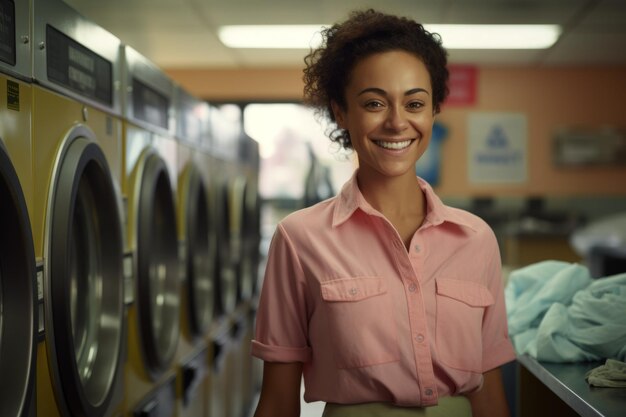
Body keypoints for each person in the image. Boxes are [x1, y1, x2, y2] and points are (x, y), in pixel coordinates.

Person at [251, 9, 516, 417]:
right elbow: (277, 400)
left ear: (432, 113)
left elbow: (490, 390)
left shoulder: (477, 239)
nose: (397, 122)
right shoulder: (299, 238)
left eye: (414, 103)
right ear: (341, 112)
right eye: (374, 103)